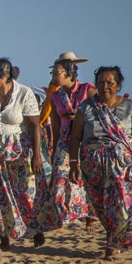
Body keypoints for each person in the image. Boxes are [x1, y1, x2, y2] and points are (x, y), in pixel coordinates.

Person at [0, 58, 57, 250]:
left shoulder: (24, 93)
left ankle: (35, 230)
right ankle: (4, 236)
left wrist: (37, 156)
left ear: (4, 76)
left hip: (18, 149)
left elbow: (34, 126)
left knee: (25, 192)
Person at [69, 66, 132, 261]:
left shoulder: (131, 107)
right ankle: (112, 236)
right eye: (101, 83)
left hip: (123, 167)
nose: (105, 86)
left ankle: (112, 245)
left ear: (119, 85)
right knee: (100, 206)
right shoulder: (86, 107)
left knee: (121, 204)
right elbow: (75, 136)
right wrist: (73, 163)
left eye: (110, 83)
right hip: (93, 165)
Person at [48, 52, 96, 229]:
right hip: (65, 140)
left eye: (56, 73)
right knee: (61, 176)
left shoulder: (87, 90)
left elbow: (100, 112)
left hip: (85, 140)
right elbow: (55, 122)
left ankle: (90, 216)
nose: (53, 76)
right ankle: (66, 215)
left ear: (68, 74)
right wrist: (53, 144)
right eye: (52, 73)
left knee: (86, 178)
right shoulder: (55, 96)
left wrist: (81, 116)